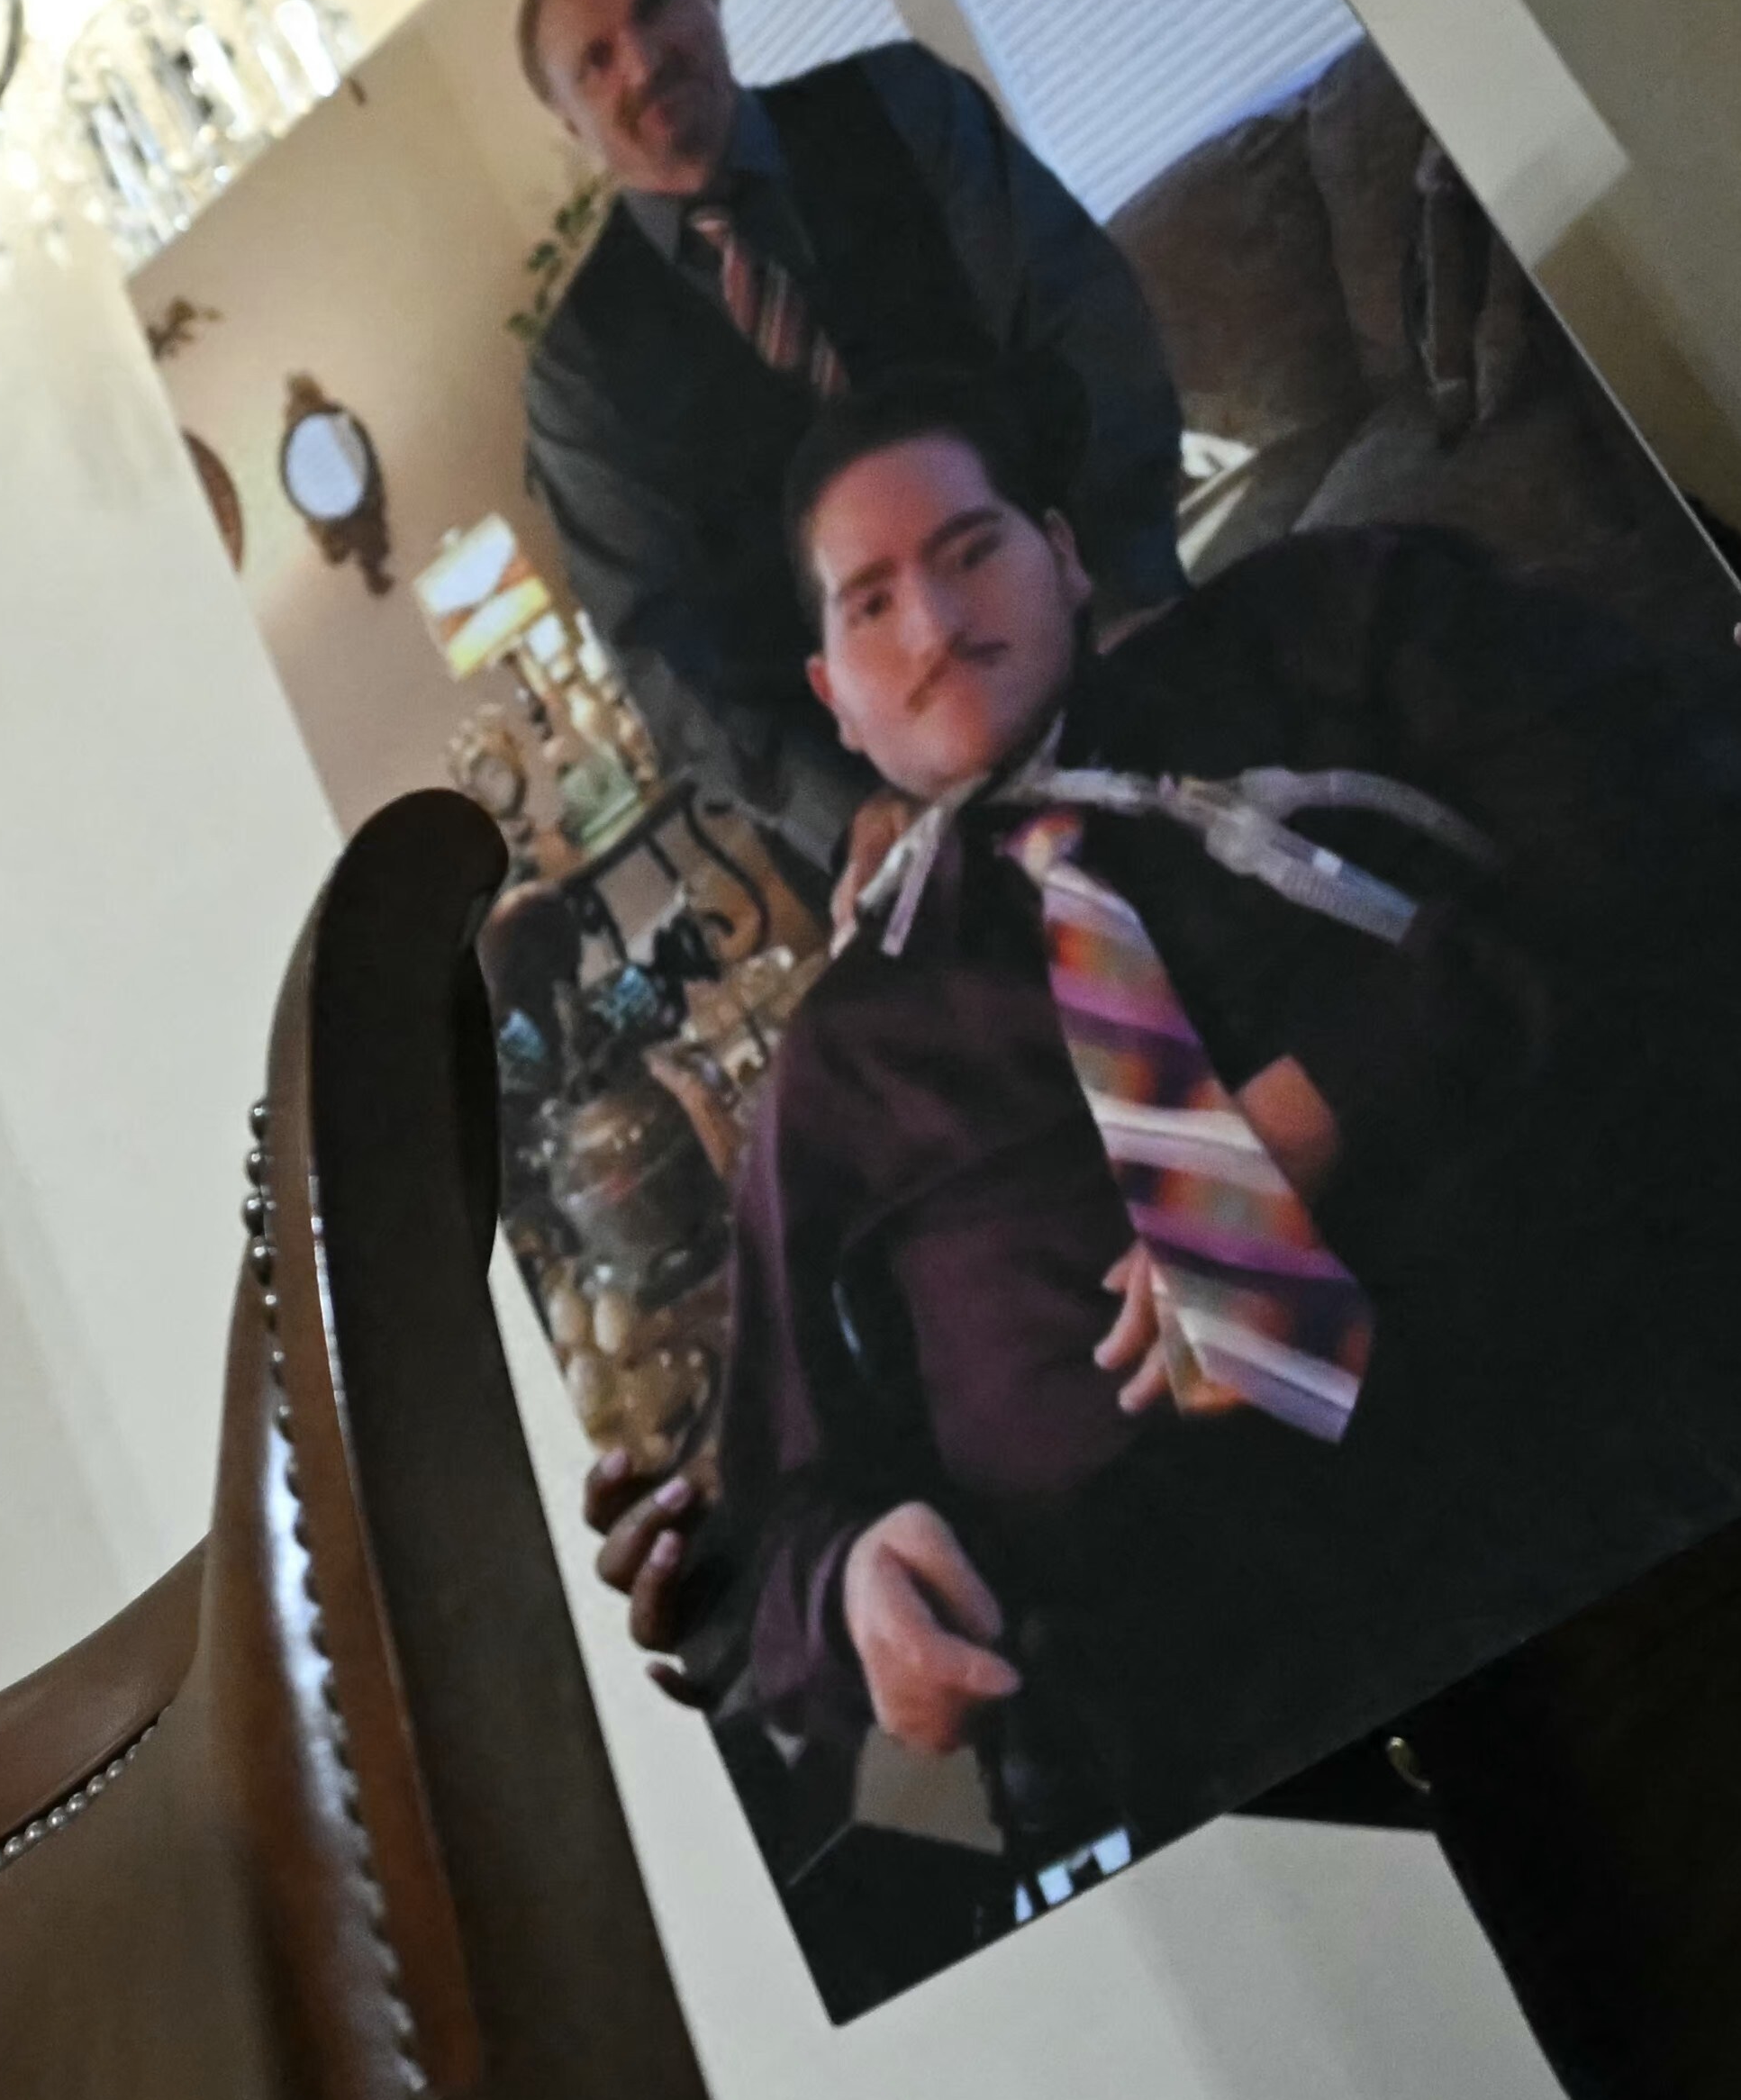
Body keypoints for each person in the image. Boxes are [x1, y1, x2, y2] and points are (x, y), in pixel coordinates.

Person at [584, 377, 1741, 1870]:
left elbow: (1669, 806)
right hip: (1228, 1724)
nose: (931, 624)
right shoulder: (837, 1062)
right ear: (829, 691)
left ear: (1063, 549)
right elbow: (772, 1502)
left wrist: (1330, 1096)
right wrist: (850, 1583)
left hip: (1602, 1419)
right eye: (869, 602)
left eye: (967, 548)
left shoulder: (1327, 625)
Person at [509, 0, 1184, 864]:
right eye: (596, 57)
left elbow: (1087, 322)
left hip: (1112, 653)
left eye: (658, 3)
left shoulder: (905, 105)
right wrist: (850, 811)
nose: (644, 58)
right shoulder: (576, 376)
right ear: (567, 117)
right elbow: (664, 653)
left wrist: (1127, 588)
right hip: (895, 833)